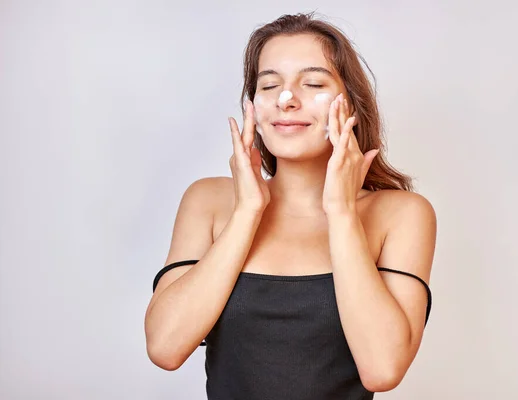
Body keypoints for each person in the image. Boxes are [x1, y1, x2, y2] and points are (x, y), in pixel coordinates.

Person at [144, 12, 437, 400]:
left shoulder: (400, 214)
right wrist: (248, 211)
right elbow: (165, 347)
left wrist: (342, 213)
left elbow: (382, 370)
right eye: (270, 85)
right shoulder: (208, 201)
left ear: (351, 105)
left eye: (313, 82)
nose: (287, 100)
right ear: (254, 108)